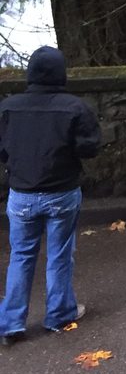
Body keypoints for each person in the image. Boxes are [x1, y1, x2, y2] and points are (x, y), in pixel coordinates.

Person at [0, 47, 100, 345]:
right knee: (59, 254)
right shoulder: (74, 107)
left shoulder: (8, 107)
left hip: (22, 193)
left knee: (21, 255)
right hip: (62, 191)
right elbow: (90, 147)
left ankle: (11, 323)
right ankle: (58, 314)